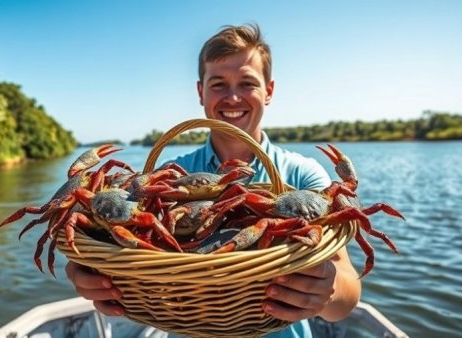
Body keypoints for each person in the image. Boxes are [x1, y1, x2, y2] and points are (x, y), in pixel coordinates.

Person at [65, 23, 361, 337]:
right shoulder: (169, 174)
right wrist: (95, 268)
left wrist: (329, 289)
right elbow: (137, 248)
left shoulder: (304, 176)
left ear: (269, 91)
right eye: (218, 84)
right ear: (200, 92)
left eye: (247, 83)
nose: (233, 97)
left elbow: (345, 294)